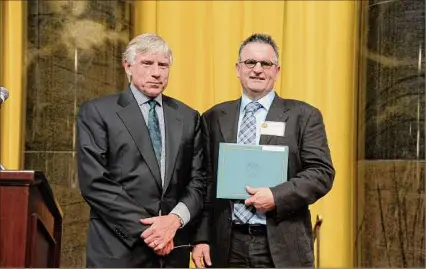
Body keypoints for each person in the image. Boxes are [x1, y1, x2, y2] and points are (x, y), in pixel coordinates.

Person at [191, 33, 335, 268]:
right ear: (238, 69)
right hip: (227, 245)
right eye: (250, 62)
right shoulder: (213, 117)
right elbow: (204, 182)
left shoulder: (304, 116)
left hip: (283, 244)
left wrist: (276, 196)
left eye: (265, 63)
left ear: (276, 71)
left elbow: (321, 173)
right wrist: (201, 238)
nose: (257, 69)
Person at [77, 33, 206, 267]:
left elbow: (198, 181)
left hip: (172, 250)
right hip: (117, 249)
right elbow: (95, 182)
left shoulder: (189, 117)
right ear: (128, 66)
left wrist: (174, 221)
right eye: (147, 63)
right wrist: (153, 232)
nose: (156, 72)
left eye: (163, 65)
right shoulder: (97, 112)